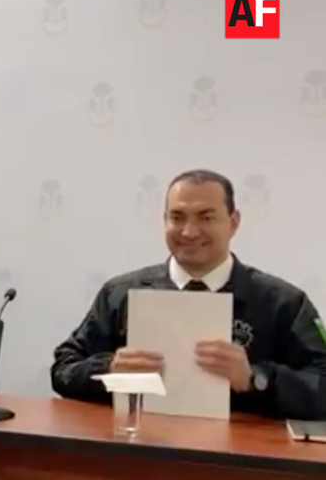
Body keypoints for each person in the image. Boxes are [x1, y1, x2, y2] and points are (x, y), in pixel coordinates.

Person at [51, 169, 326, 419]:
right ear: (164, 221)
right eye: (177, 217)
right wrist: (110, 369)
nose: (189, 232)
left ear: (233, 222)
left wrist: (255, 379)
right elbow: (64, 368)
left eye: (206, 217)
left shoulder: (283, 303)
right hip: (138, 447)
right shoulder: (122, 293)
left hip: (244, 452)